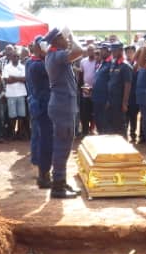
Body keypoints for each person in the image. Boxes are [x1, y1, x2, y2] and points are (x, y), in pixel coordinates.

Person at [44, 26, 85, 199]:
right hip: (62, 106)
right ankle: (58, 187)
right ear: (56, 40)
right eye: (63, 37)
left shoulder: (55, 55)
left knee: (64, 146)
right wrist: (72, 35)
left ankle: (60, 182)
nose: (66, 40)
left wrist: (67, 37)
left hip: (62, 104)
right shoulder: (56, 55)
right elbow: (79, 50)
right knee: (62, 147)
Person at [26, 36, 53, 188]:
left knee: (41, 138)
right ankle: (43, 176)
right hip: (42, 107)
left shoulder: (36, 63)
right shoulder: (37, 65)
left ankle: (42, 172)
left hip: (40, 105)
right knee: (45, 141)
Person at [106, 42, 133, 137]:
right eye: (112, 51)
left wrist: (124, 103)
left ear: (121, 50)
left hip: (119, 100)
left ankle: (124, 147)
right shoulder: (113, 64)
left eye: (115, 50)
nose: (112, 53)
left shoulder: (126, 66)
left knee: (120, 126)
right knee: (112, 125)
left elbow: (128, 85)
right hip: (111, 100)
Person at [2, 48, 28, 140]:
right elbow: (6, 81)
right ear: (11, 57)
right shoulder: (6, 67)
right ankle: (12, 133)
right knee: (12, 116)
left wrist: (13, 78)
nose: (16, 58)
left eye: (17, 56)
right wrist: (19, 79)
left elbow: (25, 79)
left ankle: (19, 133)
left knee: (21, 115)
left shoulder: (23, 67)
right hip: (11, 94)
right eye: (14, 56)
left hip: (21, 93)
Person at [92, 42, 112, 134]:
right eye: (101, 50)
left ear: (109, 51)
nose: (101, 52)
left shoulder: (111, 64)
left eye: (103, 50)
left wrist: (109, 99)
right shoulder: (101, 63)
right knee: (98, 120)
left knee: (105, 123)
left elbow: (112, 84)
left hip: (105, 98)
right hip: (97, 97)